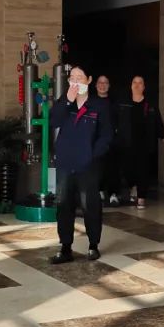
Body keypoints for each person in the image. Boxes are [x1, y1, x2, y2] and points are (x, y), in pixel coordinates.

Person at [49, 65, 112, 264]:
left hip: (88, 164)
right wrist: (67, 100)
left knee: (90, 204)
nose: (75, 81)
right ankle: (65, 247)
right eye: (72, 77)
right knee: (63, 204)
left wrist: (93, 154)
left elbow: (106, 135)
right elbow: (53, 121)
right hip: (65, 163)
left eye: (80, 77)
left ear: (89, 80)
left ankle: (93, 245)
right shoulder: (64, 101)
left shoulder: (99, 106)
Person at [115, 75, 164, 209]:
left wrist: (163, 135)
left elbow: (157, 120)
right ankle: (133, 185)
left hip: (145, 143)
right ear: (131, 85)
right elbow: (116, 120)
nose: (137, 85)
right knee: (128, 170)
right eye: (135, 82)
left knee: (143, 170)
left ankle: (141, 197)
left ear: (144, 87)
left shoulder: (150, 104)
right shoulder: (124, 103)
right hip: (127, 142)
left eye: (140, 83)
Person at [94, 74, 122, 206]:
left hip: (111, 141)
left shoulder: (114, 103)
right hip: (95, 141)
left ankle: (113, 194)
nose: (102, 85)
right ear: (96, 85)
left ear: (109, 86)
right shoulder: (90, 102)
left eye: (105, 83)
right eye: (100, 82)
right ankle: (98, 191)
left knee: (112, 168)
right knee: (97, 168)